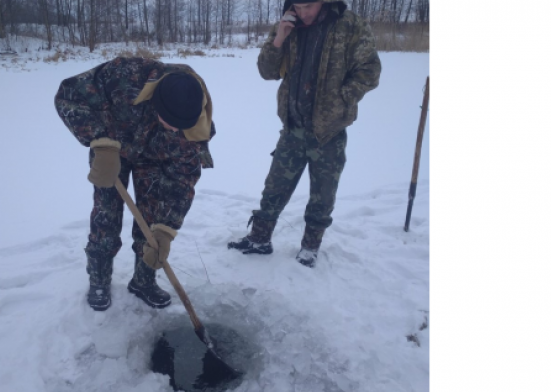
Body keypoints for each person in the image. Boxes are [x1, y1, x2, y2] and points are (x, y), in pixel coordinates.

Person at [227, 0, 381, 267]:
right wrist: (279, 39)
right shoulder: (287, 26)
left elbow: (370, 71)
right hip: (293, 128)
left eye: (308, 6)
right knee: (274, 187)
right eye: (298, 7)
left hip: (328, 132)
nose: (303, 13)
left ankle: (310, 247)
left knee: (323, 194)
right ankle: (259, 239)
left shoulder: (350, 26)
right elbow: (267, 72)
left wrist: (341, 99)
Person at [54, 57, 215, 311]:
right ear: (157, 103)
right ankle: (99, 280)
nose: (174, 129)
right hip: (112, 148)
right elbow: (68, 96)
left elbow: (183, 181)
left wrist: (167, 229)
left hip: (154, 157)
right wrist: (99, 140)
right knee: (106, 216)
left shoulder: (194, 127)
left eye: (180, 127)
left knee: (152, 222)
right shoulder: (125, 75)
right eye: (169, 122)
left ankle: (144, 281)